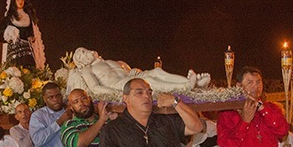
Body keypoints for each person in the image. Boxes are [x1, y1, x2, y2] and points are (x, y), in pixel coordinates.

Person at [66, 47, 211, 96]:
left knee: (156, 72)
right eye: (81, 55)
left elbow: (130, 71)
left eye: (84, 50)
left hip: (130, 77)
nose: (85, 53)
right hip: (119, 85)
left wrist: (135, 72)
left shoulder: (111, 61)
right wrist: (116, 94)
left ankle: (191, 83)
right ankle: (186, 87)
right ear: (81, 62)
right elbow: (95, 88)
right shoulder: (88, 70)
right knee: (147, 83)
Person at [0, 0, 46, 69]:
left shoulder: (28, 17)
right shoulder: (9, 18)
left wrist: (31, 37)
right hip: (14, 54)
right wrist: (9, 32)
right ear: (13, 1)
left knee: (29, 73)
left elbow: (30, 33)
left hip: (27, 54)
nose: (20, 1)